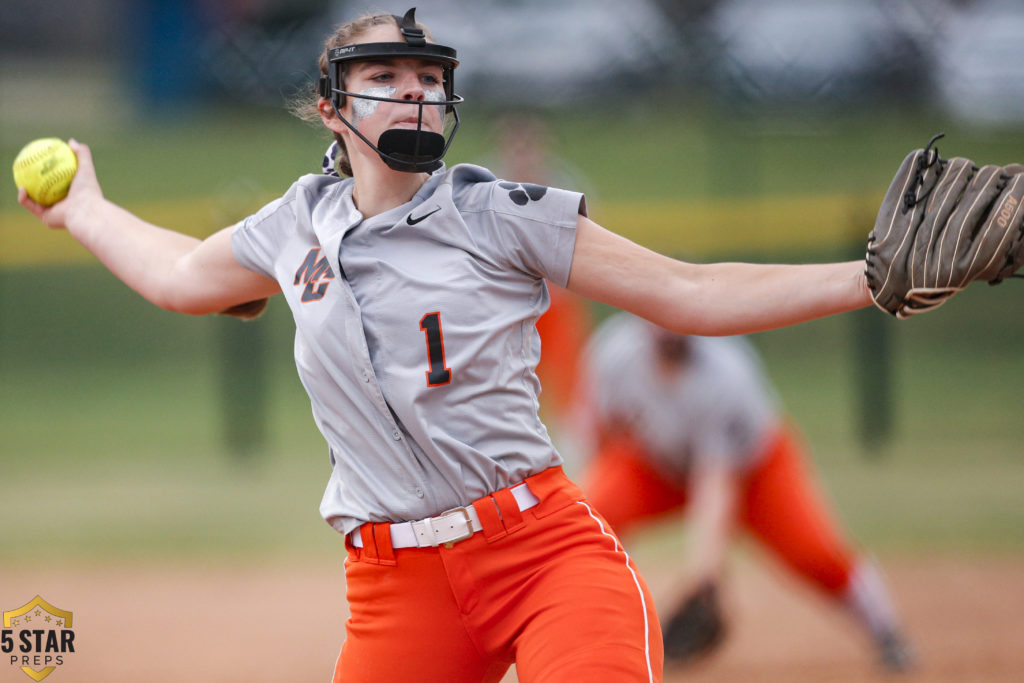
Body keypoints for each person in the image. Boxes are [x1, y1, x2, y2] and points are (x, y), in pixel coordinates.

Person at [15, 8, 945, 683]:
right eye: (387, 79)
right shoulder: (295, 223)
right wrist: (89, 212)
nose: (415, 94)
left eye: (428, 81)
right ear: (334, 109)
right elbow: (181, 278)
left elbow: (689, 290)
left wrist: (867, 279)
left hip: (542, 552)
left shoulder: (493, 212)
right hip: (394, 585)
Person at [572, 312, 915, 672]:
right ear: (638, 316)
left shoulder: (728, 373)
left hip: (754, 472)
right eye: (656, 310)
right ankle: (587, 629)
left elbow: (715, 485)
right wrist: (615, 539)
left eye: (676, 311)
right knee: (588, 516)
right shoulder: (612, 357)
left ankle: (886, 630)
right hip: (656, 465)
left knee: (814, 553)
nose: (667, 324)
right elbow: (601, 439)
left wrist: (705, 580)